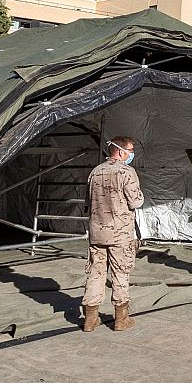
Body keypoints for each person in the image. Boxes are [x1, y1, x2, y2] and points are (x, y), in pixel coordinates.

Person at [83, 136, 144, 332]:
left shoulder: (95, 172)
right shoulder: (127, 172)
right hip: (120, 234)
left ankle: (90, 319)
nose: (131, 154)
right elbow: (135, 202)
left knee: (95, 273)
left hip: (97, 233)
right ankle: (121, 318)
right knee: (120, 273)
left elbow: (87, 202)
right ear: (120, 151)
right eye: (130, 150)